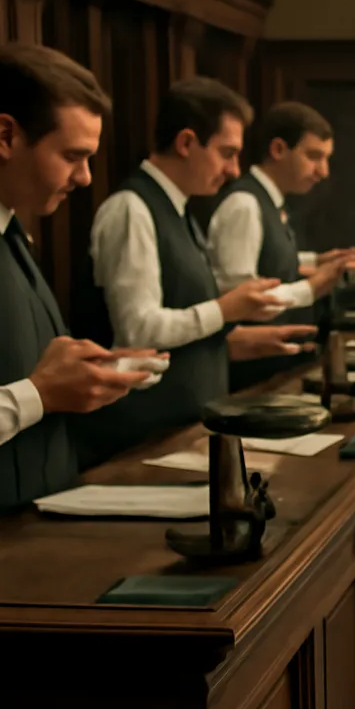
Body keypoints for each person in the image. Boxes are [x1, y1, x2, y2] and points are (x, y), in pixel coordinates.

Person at [0, 44, 154, 539]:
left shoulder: (7, 228)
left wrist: (91, 371)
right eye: (72, 156)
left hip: (28, 535)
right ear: (5, 136)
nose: (85, 177)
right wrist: (38, 395)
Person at [84, 78, 315, 460]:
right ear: (187, 143)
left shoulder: (180, 210)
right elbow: (138, 329)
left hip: (182, 427)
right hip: (140, 437)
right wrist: (226, 310)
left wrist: (235, 340)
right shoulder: (131, 208)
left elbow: (183, 316)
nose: (234, 170)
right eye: (227, 153)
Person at [206, 101, 355, 388]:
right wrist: (312, 288)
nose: (323, 171)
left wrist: (316, 261)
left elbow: (268, 257)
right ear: (278, 149)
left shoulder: (268, 200)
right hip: (251, 376)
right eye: (314, 156)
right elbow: (239, 295)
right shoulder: (244, 204)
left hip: (275, 366)